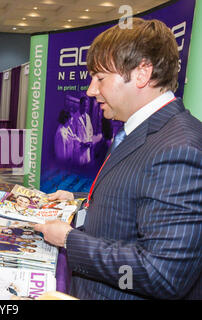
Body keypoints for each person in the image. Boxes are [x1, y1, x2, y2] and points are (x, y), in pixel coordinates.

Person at [34, 18, 201, 300]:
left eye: (100, 78)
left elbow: (162, 274)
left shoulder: (180, 148)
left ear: (141, 73)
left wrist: (69, 239)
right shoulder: (139, 129)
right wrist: (76, 200)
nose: (90, 90)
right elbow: (135, 200)